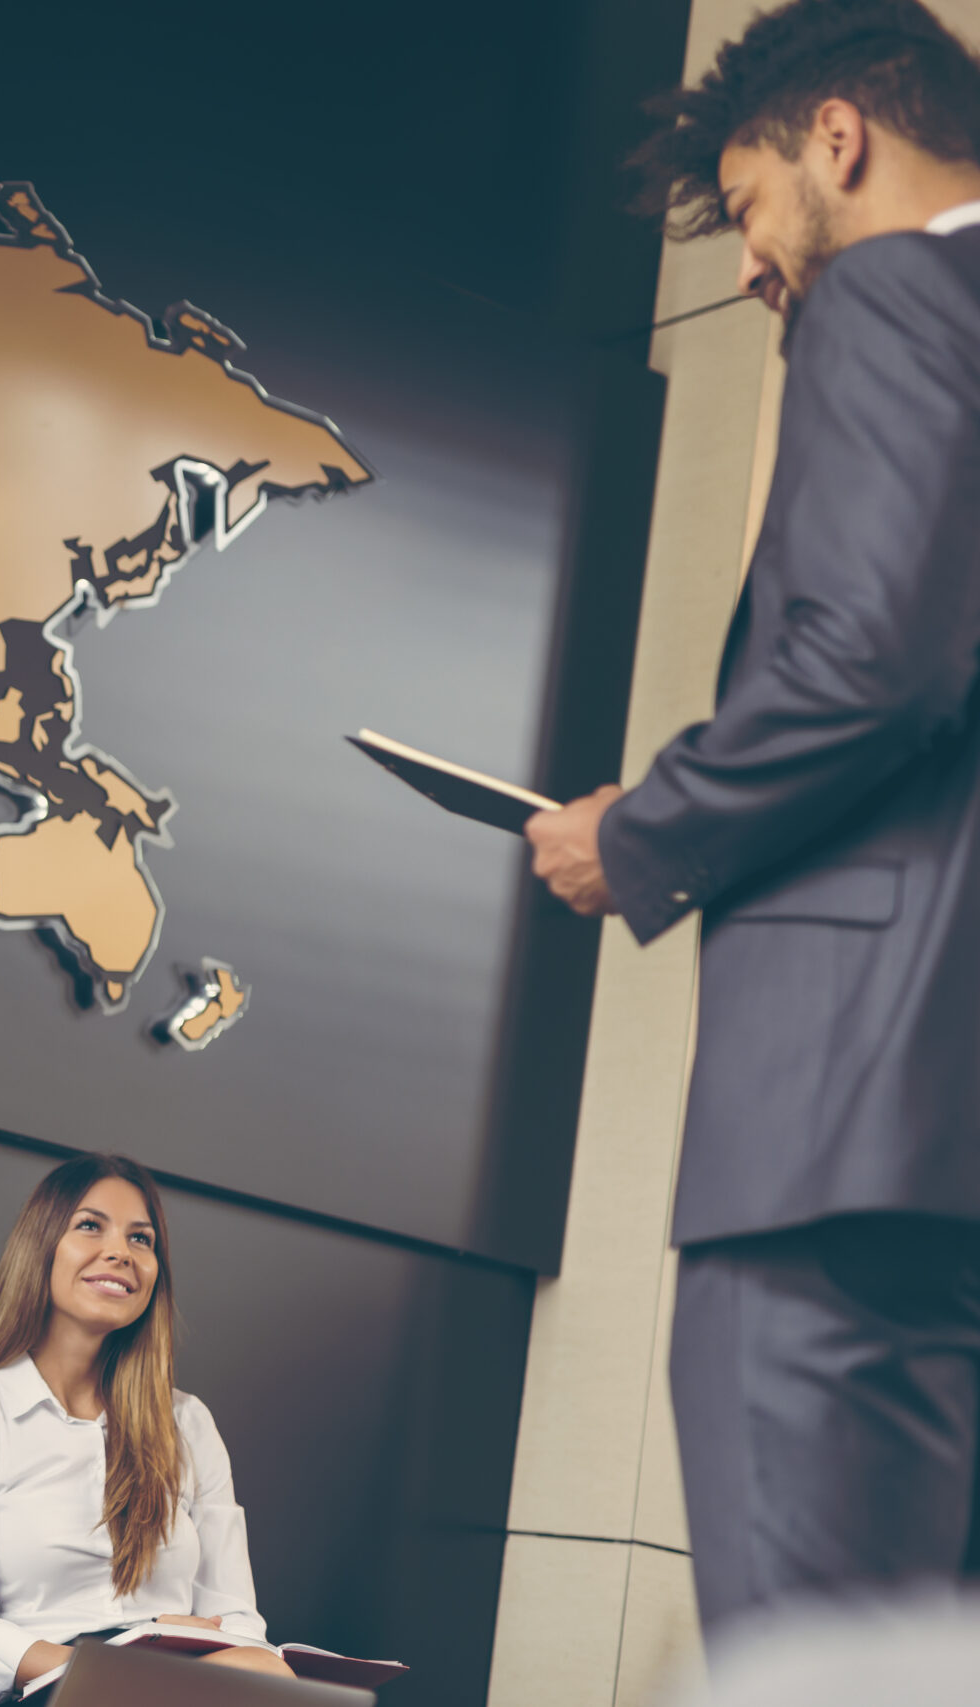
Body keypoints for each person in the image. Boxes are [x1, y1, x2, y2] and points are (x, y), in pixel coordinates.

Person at [524, 0, 980, 1632]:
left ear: (841, 140)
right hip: (949, 1145)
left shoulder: (898, 298)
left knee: (815, 1657)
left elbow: (871, 652)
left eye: (758, 206)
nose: (756, 269)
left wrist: (640, 830)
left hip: (836, 1141)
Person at [0, 1156, 288, 1703]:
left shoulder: (188, 1423)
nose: (120, 1252)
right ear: (40, 1245)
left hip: (185, 1689)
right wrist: (112, 1674)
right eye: (90, 1225)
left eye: (141, 1238)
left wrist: (181, 1673)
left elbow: (237, 1619)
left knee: (269, 1671)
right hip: (50, 1688)